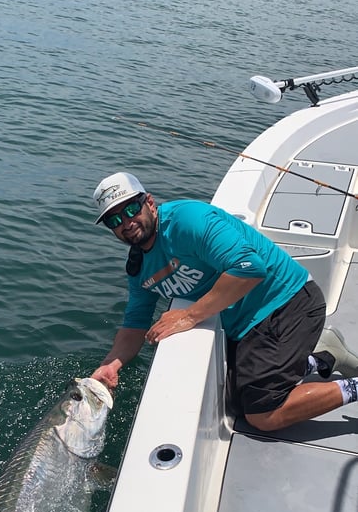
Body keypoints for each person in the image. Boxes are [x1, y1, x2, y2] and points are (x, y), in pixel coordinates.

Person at [90, 171, 358, 432]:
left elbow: (250, 268)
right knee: (229, 401)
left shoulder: (188, 221)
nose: (126, 223)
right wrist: (111, 364)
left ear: (149, 202)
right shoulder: (139, 268)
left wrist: (189, 316)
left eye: (130, 210)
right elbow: (135, 324)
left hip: (287, 303)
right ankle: (324, 357)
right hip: (244, 325)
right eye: (114, 220)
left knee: (263, 414)